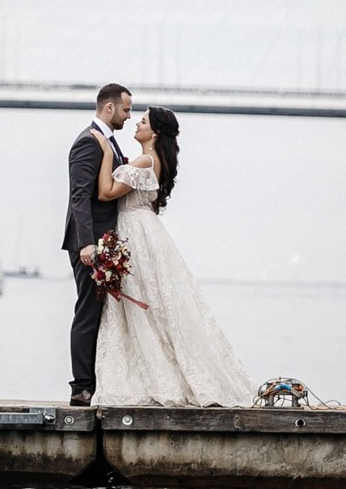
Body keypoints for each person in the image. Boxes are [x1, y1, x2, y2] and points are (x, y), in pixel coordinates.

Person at [90, 105, 255, 406]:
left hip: (135, 231)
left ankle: (153, 375)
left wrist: (104, 152)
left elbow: (105, 192)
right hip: (147, 231)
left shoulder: (144, 159)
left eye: (142, 121)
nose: (136, 124)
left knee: (143, 302)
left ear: (154, 131)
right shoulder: (157, 160)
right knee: (157, 303)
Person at [62, 82, 132, 406]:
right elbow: (79, 196)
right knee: (87, 313)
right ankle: (81, 389)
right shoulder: (87, 143)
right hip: (90, 246)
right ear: (109, 108)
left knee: (98, 313)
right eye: (126, 110)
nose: (129, 116)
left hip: (105, 243)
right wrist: (87, 244)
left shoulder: (110, 143)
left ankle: (95, 383)